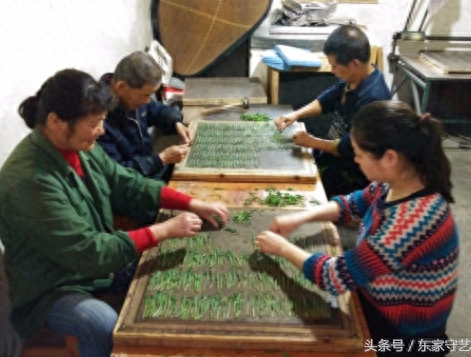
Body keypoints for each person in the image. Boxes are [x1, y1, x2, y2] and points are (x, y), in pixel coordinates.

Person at [0, 69, 229, 357]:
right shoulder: (30, 181)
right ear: (56, 122)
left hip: (96, 265)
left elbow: (125, 182)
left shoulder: (80, 145)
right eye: (95, 123)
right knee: (99, 322)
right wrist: (163, 229)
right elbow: (89, 252)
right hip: (53, 286)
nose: (102, 131)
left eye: (103, 121)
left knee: (180, 264)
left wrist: (191, 203)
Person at [256, 101, 457, 357]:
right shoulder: (399, 183)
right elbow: (352, 203)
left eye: (359, 155)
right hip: (381, 296)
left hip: (403, 333)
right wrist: (301, 217)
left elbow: (334, 277)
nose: (356, 160)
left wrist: (283, 248)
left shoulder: (410, 223)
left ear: (389, 158)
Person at [274, 25, 391, 198]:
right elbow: (328, 99)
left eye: (335, 66)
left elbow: (349, 147)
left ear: (354, 64)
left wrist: (312, 141)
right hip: (332, 157)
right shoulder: (353, 78)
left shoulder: (374, 100)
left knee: (296, 193)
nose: (332, 71)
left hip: (351, 175)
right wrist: (295, 115)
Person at [97, 51, 194, 225]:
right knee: (177, 214)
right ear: (121, 87)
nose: (148, 101)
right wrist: (161, 159)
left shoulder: (132, 98)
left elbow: (157, 110)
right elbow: (118, 175)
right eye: (145, 95)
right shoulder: (98, 120)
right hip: (126, 190)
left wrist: (177, 123)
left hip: (149, 170)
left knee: (188, 179)